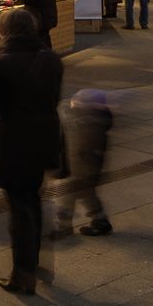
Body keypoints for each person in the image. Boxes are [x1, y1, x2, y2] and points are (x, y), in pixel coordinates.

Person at [0, 9, 63, 295]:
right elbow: (53, 98)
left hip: (14, 142)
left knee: (20, 208)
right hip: (45, 137)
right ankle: (33, 261)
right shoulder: (51, 59)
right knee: (33, 201)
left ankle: (23, 275)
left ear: (4, 32)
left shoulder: (1, 64)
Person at [53, 89, 113, 237]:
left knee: (67, 196)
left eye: (76, 101)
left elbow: (78, 148)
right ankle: (101, 221)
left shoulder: (86, 123)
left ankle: (64, 227)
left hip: (80, 169)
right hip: (82, 169)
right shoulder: (93, 120)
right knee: (87, 195)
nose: (72, 102)